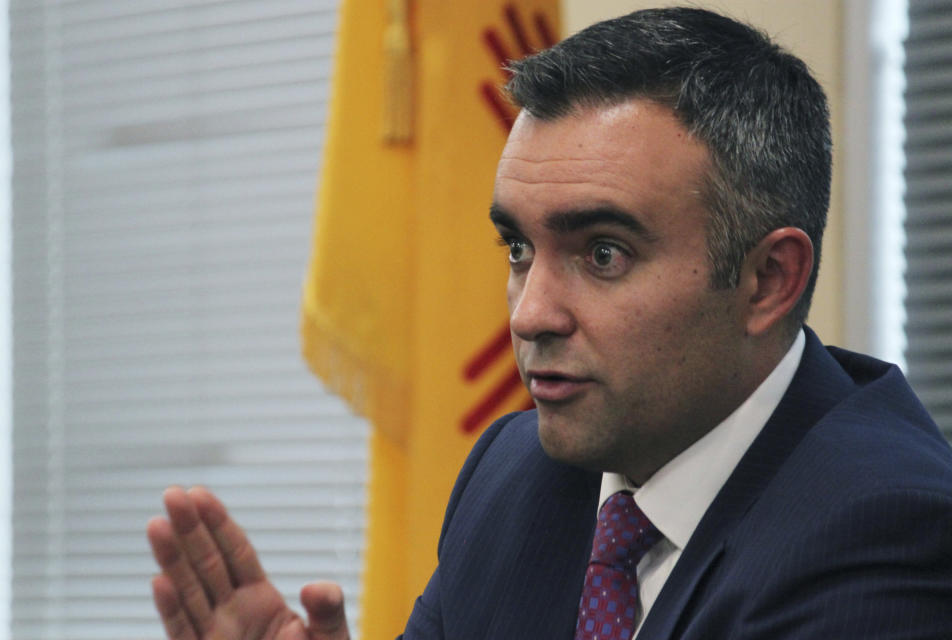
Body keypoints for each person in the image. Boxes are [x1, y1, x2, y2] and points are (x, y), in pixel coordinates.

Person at [146, 7, 952, 640]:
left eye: (603, 254)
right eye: (518, 248)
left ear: (769, 279)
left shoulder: (889, 530)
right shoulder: (514, 476)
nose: (530, 314)